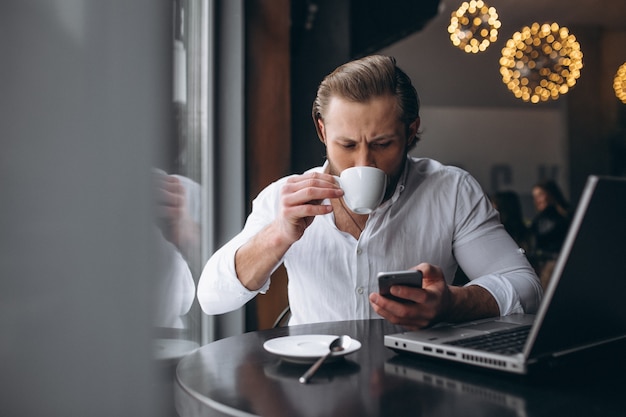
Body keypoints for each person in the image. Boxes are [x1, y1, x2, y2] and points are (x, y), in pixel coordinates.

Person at [197, 55, 542, 329]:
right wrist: (277, 235)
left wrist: (452, 303)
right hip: (316, 387)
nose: (364, 162)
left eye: (382, 143)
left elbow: (526, 286)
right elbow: (212, 298)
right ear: (321, 129)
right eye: (346, 144)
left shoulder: (450, 190)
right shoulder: (283, 198)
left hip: (420, 382)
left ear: (411, 131)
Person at [529, 179, 571, 288]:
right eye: (535, 197)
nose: (537, 200)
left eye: (541, 195)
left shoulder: (565, 217)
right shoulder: (538, 221)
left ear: (551, 195)